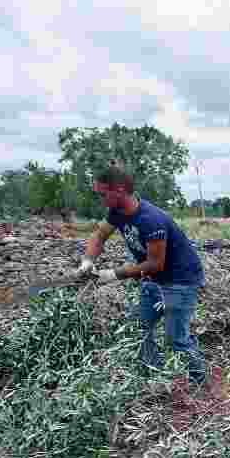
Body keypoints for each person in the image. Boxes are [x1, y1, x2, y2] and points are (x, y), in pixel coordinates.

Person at [75, 164, 208, 386]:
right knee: (139, 328)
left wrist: (114, 274)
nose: (100, 199)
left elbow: (155, 263)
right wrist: (87, 261)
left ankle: (199, 384)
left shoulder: (150, 219)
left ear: (119, 190)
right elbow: (99, 236)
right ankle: (153, 377)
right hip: (153, 279)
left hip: (180, 281)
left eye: (102, 193)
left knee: (176, 339)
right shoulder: (116, 212)